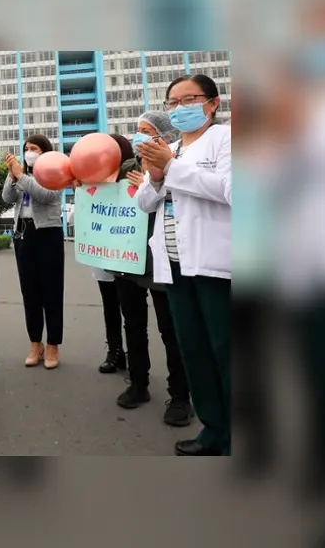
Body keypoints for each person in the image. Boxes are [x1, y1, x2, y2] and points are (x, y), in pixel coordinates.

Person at [135, 74, 231, 455]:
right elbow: (145, 201)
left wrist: (172, 168)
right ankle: (214, 431)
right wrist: (157, 176)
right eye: (171, 102)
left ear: (212, 103)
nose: (178, 108)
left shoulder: (227, 140)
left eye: (187, 99)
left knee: (227, 352)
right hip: (174, 265)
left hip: (215, 265)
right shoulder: (168, 147)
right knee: (194, 350)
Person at [108, 129, 193, 427]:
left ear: (163, 137)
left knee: (171, 330)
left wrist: (154, 178)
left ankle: (181, 396)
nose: (139, 137)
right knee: (133, 324)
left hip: (161, 259)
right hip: (127, 257)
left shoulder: (179, 160)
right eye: (138, 131)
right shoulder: (129, 166)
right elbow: (102, 179)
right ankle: (138, 383)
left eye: (146, 132)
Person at [2, 134, 64, 368]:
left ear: (45, 151)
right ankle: (35, 344)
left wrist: (20, 176)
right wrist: (12, 176)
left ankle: (53, 346)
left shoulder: (56, 171)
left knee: (52, 292)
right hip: (23, 234)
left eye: (34, 148)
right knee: (30, 293)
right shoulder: (21, 175)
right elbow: (7, 198)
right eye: (26, 148)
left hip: (48, 234)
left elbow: (47, 195)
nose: (29, 152)